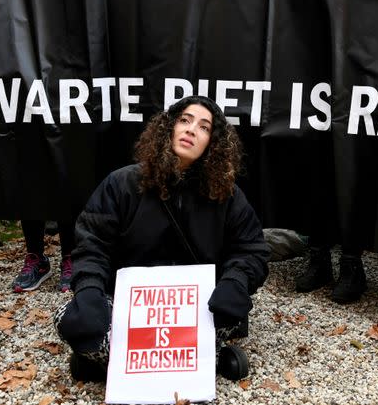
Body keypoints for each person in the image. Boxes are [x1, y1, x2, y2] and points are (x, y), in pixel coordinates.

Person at [54, 96, 269, 382]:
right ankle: (205, 358)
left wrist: (235, 282)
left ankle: (108, 362)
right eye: (184, 120)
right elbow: (92, 243)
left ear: (213, 144)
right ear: (168, 128)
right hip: (128, 306)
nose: (192, 130)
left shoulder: (226, 195)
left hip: (196, 307)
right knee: (71, 316)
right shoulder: (121, 184)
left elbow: (251, 248)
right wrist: (90, 290)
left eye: (204, 127)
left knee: (228, 312)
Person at [0, 0, 89, 292]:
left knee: (65, 170)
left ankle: (69, 256)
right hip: (18, 87)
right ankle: (34, 255)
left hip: (66, 88)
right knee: (28, 171)